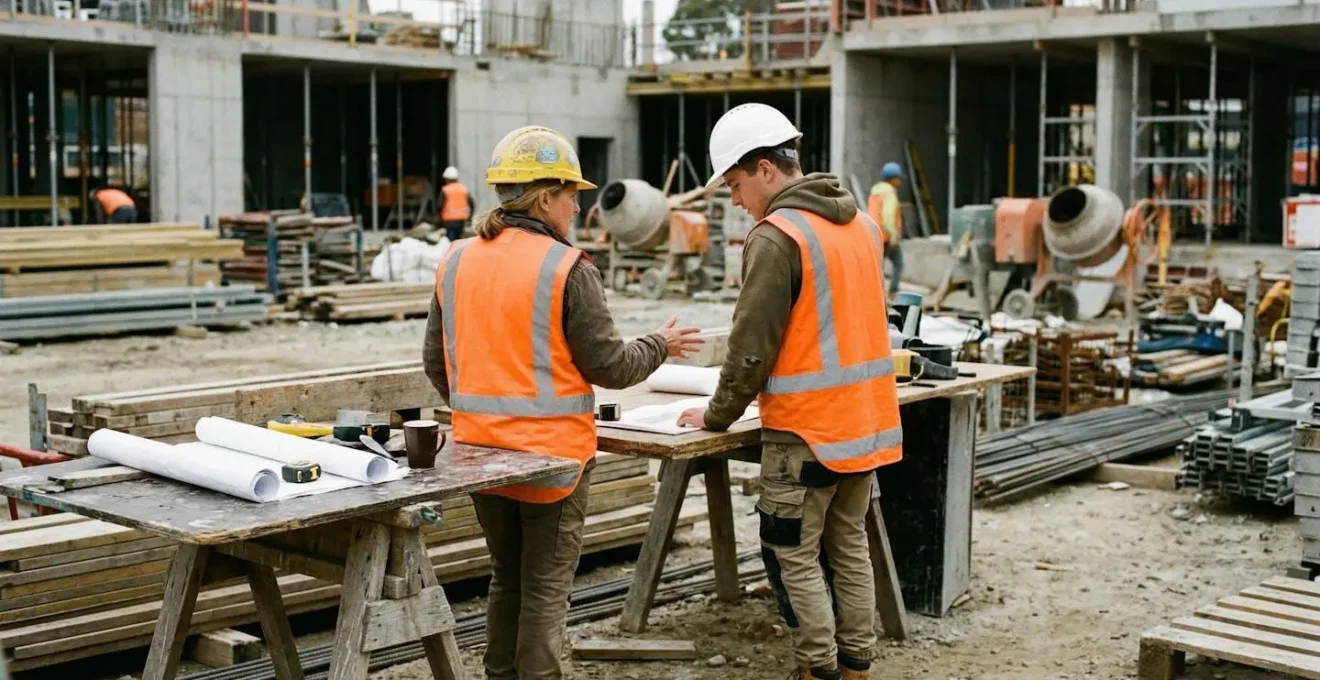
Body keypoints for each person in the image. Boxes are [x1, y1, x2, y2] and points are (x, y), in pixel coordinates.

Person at [422, 126, 704, 680]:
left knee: (507, 578)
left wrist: (486, 413)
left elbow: (438, 363)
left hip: (481, 456)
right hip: (554, 463)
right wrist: (660, 345)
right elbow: (610, 368)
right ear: (544, 196)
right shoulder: (565, 267)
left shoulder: (456, 260)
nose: (579, 205)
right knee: (546, 593)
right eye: (572, 194)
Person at [676, 103, 903, 680]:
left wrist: (715, 416)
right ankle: (855, 665)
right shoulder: (862, 225)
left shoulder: (776, 236)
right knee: (848, 545)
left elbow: (751, 346)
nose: (735, 200)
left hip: (807, 430)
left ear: (766, 171)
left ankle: (816, 667)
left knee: (794, 552)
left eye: (734, 184)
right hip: (865, 422)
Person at [868, 162, 904, 299]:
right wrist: (894, 234)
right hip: (886, 236)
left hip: (874, 234)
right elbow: (888, 215)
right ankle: (892, 293)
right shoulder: (889, 193)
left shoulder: (875, 191)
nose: (900, 180)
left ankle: (875, 294)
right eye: (898, 178)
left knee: (877, 267)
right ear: (893, 178)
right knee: (898, 263)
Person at [438, 165, 473, 242]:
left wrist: (439, 222)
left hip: (449, 222)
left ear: (447, 179)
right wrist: (469, 218)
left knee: (450, 243)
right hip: (461, 222)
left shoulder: (445, 190)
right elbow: (472, 204)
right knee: (459, 242)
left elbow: (440, 206)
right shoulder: (464, 189)